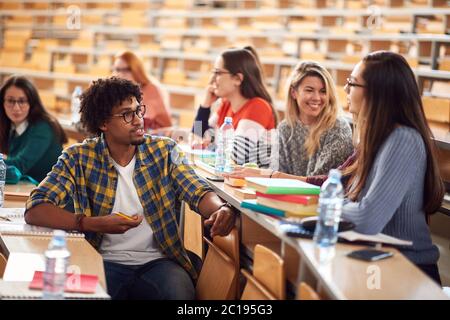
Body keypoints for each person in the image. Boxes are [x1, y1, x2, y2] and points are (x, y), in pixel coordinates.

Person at [25, 77, 237, 300]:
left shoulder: (164, 151)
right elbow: (35, 209)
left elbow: (197, 191)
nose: (138, 121)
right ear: (103, 123)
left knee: (179, 294)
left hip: (159, 262)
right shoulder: (78, 157)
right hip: (102, 260)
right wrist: (92, 224)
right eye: (127, 114)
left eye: (138, 111)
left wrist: (219, 209)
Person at [340, 51, 444, 285]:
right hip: (379, 263)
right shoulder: (377, 138)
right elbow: (344, 195)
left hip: (408, 272)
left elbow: (368, 219)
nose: (346, 90)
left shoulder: (402, 140)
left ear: (377, 93)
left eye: (352, 83)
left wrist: (327, 206)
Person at [225, 61, 353, 180]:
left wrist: (268, 175)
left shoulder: (338, 128)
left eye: (323, 91)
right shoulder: (286, 127)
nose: (317, 98)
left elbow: (318, 184)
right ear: (294, 93)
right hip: (288, 200)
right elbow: (277, 174)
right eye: (309, 90)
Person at [192, 46, 277, 168]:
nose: (212, 80)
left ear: (237, 79)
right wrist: (205, 106)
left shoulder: (258, 106)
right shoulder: (226, 105)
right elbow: (196, 138)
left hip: (251, 185)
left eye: (218, 73)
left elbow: (234, 157)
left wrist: (209, 146)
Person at [0, 75, 67, 182]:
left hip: (48, 194)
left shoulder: (43, 127)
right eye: (10, 101)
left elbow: (18, 166)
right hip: (26, 187)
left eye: (22, 101)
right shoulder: (10, 125)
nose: (16, 108)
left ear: (31, 103)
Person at [113, 50, 172, 130]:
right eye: (117, 70)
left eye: (126, 70)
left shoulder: (151, 89)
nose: (119, 74)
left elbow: (165, 125)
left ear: (136, 69)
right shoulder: (117, 90)